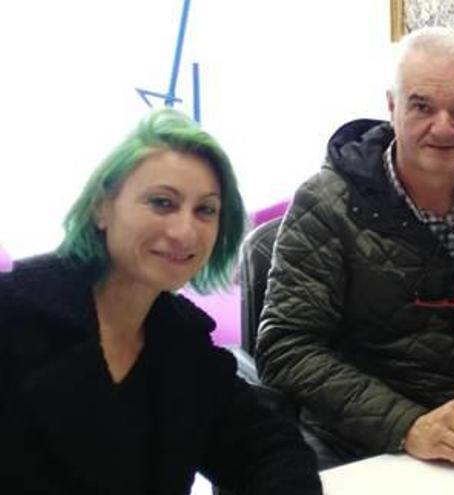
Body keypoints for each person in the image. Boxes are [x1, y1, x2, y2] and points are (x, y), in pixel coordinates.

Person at [256, 27, 454, 470]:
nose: (444, 128)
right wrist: (406, 425)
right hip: (362, 444)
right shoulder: (326, 203)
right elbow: (285, 347)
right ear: (391, 106)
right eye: (422, 106)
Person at [0, 109, 322, 494]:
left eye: (205, 210)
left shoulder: (182, 341)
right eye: (162, 203)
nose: (185, 232)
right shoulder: (14, 314)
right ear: (102, 207)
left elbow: (270, 450)